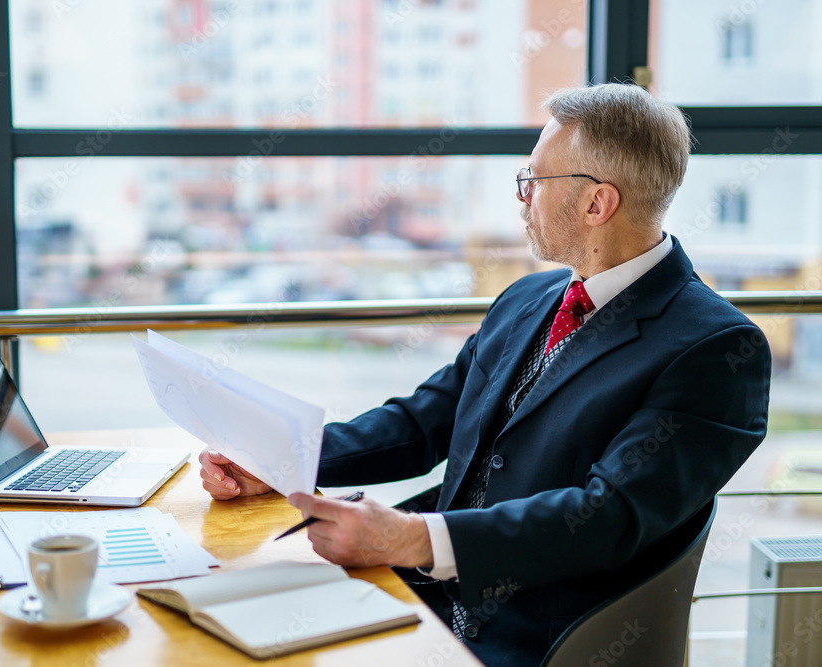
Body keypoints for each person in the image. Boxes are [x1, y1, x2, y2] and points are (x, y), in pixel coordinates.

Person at [198, 83, 772, 667]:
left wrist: (411, 538)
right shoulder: (530, 297)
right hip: (423, 598)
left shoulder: (717, 348)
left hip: (540, 642)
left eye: (535, 181)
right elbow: (424, 423)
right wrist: (278, 459)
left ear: (598, 204)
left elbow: (607, 516)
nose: (522, 199)